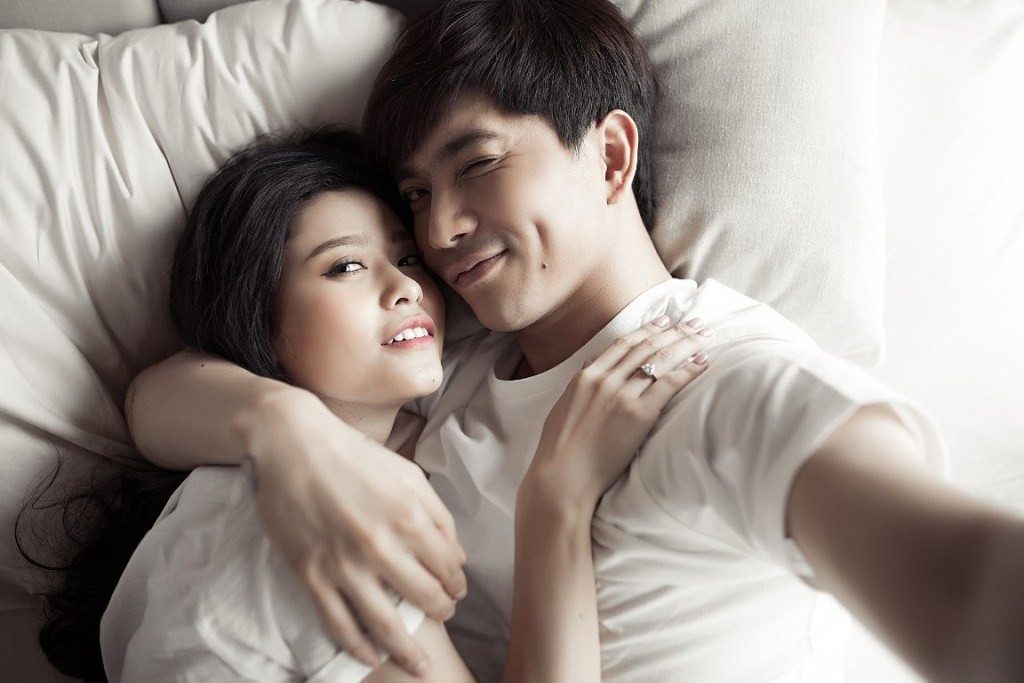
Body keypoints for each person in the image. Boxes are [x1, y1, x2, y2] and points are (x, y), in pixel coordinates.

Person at [125, 1, 1024, 681]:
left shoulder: (710, 378)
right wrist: (288, 433)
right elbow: (158, 394)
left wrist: (559, 499)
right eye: (418, 196)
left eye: (477, 164)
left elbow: (960, 579)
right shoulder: (454, 344)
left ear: (611, 157)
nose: (440, 231)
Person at [20, 127, 709, 682]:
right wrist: (559, 499)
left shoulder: (342, 448)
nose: (405, 286)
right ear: (259, 321)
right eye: (345, 265)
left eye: (408, 260)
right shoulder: (316, 524)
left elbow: (156, 396)